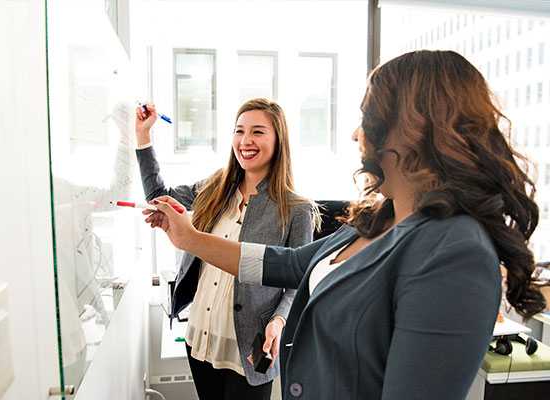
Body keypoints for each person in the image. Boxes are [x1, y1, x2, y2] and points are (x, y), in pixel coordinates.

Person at [143, 50, 547, 399]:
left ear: (415, 129)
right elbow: (287, 264)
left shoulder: (455, 251)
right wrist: (190, 239)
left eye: (367, 119)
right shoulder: (376, 218)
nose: (356, 134)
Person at [135, 98, 318, 399]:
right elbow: (159, 196)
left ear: (278, 139)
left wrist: (280, 319)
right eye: (239, 130)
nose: (246, 140)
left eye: (258, 132)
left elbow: (299, 280)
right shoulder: (216, 186)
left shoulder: (297, 209)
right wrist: (144, 136)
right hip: (201, 336)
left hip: (249, 346)